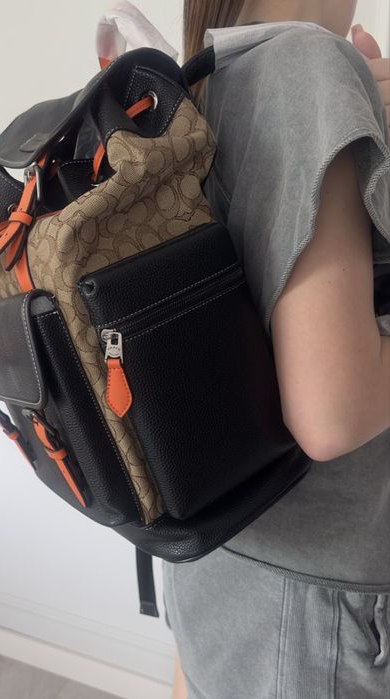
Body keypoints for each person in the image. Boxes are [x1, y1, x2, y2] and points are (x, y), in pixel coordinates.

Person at [162, 2, 390, 697]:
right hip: (317, 611)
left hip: (218, 560)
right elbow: (331, 414)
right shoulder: (305, 63)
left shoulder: (201, 79)